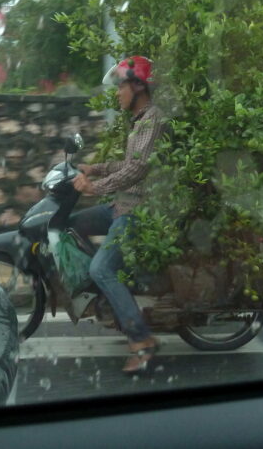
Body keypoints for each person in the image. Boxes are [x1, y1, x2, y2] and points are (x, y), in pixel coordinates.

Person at [70, 55, 165, 375]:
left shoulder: (153, 120)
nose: (119, 92)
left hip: (137, 210)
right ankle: (112, 291)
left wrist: (94, 186)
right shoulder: (140, 121)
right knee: (72, 226)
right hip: (121, 205)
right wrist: (93, 168)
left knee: (101, 268)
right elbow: (126, 165)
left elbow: (137, 169)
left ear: (139, 86)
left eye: (122, 85)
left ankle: (141, 340)